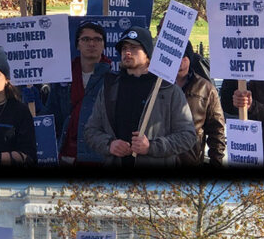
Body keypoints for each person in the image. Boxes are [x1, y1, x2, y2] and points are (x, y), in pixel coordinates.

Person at [83, 28, 196, 166]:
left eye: (134, 47)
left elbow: (187, 136)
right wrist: (109, 144)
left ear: (148, 53)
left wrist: (151, 147)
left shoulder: (168, 90)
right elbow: (91, 130)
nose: (127, 52)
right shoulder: (110, 87)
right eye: (124, 48)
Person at [43, 21, 114, 164]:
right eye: (86, 39)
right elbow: (50, 117)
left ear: (103, 45)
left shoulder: (114, 80)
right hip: (65, 156)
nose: (92, 44)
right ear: (77, 44)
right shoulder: (62, 78)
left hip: (97, 158)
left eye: (97, 39)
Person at [174, 41, 226, 166]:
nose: (180, 62)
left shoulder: (206, 88)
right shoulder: (157, 86)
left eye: (184, 57)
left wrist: (216, 163)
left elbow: (217, 130)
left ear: (190, 59)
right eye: (176, 56)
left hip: (190, 160)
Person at [219, 68, 264, 166]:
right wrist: (233, 74)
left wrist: (252, 106)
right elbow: (229, 107)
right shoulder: (257, 78)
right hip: (254, 149)